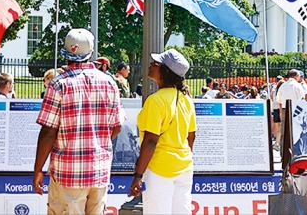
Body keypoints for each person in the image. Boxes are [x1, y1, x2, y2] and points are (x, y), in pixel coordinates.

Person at [33, 28, 124, 214]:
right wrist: (99, 143)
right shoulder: (109, 83)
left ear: (66, 54)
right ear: (91, 54)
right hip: (98, 171)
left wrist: (38, 169)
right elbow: (117, 126)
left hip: (68, 171)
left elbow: (49, 132)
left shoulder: (59, 84)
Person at [128, 49, 196, 215]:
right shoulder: (186, 99)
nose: (151, 64)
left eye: (156, 63)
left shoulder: (156, 100)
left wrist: (138, 175)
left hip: (159, 169)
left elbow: (150, 141)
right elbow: (191, 136)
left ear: (165, 71)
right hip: (184, 168)